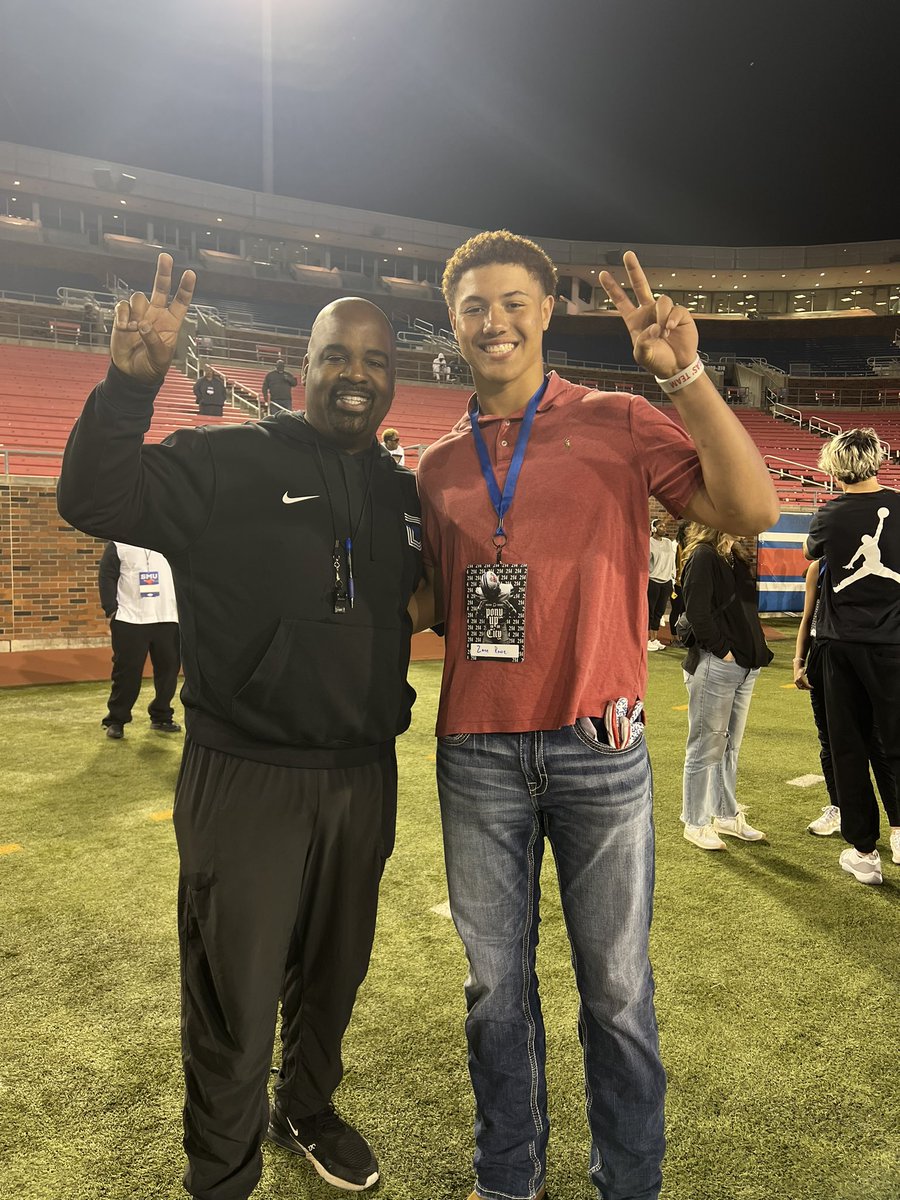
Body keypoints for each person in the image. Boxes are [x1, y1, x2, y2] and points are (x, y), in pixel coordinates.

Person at [58, 253, 431, 1200]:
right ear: (301, 368)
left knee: (335, 975)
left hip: (363, 773)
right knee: (236, 986)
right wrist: (128, 389)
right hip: (247, 775)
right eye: (336, 356)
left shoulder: (398, 491)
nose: (356, 374)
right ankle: (221, 1173)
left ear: (394, 378)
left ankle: (309, 1108)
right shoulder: (225, 461)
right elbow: (93, 499)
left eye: (376, 360)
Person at [416, 230, 778, 1200]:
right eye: (474, 307)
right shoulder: (438, 463)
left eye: (513, 302)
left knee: (616, 993)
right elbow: (433, 603)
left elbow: (752, 510)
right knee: (495, 991)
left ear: (547, 311)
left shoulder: (618, 418)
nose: (494, 321)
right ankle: (509, 1178)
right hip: (477, 754)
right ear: (454, 324)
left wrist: (687, 374)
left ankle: (631, 1182)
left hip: (598, 748)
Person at [804, 428, 900, 885]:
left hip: (840, 645)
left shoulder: (828, 514)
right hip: (895, 646)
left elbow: (810, 554)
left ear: (835, 467)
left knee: (849, 747)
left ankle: (865, 852)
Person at [793, 558, 900, 852]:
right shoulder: (820, 567)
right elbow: (808, 617)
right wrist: (798, 660)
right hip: (822, 655)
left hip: (861, 658)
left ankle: (896, 825)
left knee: (876, 744)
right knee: (830, 742)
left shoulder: (873, 562)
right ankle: (839, 808)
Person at [679, 523, 773, 850]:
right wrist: (724, 651)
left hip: (744, 666)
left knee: (729, 747)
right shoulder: (704, 557)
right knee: (706, 745)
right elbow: (697, 611)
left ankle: (726, 815)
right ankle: (695, 821)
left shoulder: (735, 555)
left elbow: (745, 611)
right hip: (716, 664)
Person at [98, 540, 181, 739]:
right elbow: (106, 575)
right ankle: (117, 720)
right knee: (126, 672)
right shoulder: (119, 545)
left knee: (169, 671)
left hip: (168, 618)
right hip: (130, 619)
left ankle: (161, 715)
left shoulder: (172, 543)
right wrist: (110, 609)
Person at [647, 518, 676, 650]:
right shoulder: (649, 542)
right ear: (653, 529)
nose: (664, 528)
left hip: (666, 582)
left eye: (664, 526)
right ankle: (648, 638)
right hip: (653, 580)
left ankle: (655, 638)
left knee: (659, 611)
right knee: (650, 611)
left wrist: (672, 578)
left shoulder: (668, 542)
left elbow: (672, 561)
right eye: (660, 526)